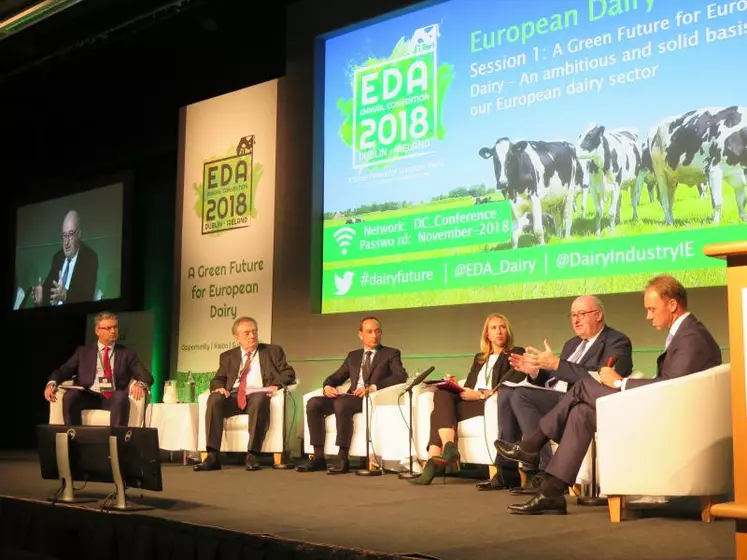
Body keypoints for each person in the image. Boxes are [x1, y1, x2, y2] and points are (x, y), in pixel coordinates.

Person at [496, 275, 722, 515]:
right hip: (661, 405)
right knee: (582, 413)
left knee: (582, 387)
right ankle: (552, 492)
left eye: (651, 309)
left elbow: (671, 387)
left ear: (673, 305)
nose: (648, 316)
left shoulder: (691, 336)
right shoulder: (685, 333)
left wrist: (622, 382)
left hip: (669, 413)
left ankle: (531, 445)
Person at [480, 295, 633, 493]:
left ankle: (541, 466)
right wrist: (535, 370)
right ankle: (507, 470)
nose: (576, 320)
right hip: (555, 397)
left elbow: (600, 379)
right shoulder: (572, 344)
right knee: (508, 390)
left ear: (598, 315)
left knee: (520, 395)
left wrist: (556, 364)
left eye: (581, 314)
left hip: (580, 401)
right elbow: (554, 377)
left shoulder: (616, 341)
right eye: (572, 315)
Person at [411, 313, 525, 485]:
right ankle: (447, 448)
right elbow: (470, 385)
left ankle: (433, 460)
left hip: (489, 403)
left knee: (438, 412)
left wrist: (480, 395)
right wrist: (454, 385)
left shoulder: (515, 353)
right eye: (493, 328)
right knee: (442, 394)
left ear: (507, 331)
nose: (499, 331)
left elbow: (511, 385)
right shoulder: (479, 358)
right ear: (487, 334)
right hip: (471, 399)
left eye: (502, 327)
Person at [297, 316, 407, 474]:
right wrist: (328, 386)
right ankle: (319, 457)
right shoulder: (353, 356)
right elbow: (335, 377)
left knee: (342, 404)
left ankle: (342, 458)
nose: (374, 335)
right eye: (369, 332)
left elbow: (400, 376)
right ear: (361, 335)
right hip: (351, 396)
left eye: (377, 331)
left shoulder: (390, 353)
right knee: (314, 403)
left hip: (369, 399)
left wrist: (374, 387)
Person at [194, 316, 296, 472]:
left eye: (254, 332)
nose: (252, 336)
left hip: (258, 393)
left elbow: (288, 373)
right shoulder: (227, 356)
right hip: (233, 396)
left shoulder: (273, 351)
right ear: (237, 337)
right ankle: (213, 456)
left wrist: (276, 385)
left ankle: (253, 455)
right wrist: (219, 387)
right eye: (247, 333)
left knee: (260, 398)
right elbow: (218, 379)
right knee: (214, 398)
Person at [44, 311, 152, 426]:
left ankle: (116, 441)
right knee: (70, 396)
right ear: (97, 331)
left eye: (115, 327)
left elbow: (145, 375)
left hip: (112, 396)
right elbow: (64, 370)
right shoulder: (83, 352)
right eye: (108, 328)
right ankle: (73, 438)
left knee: (121, 398)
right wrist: (52, 383)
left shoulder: (127, 353)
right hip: (87, 394)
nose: (113, 331)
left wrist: (140, 384)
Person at [34, 210, 98, 306]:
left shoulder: (89, 258)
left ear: (79, 234)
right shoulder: (57, 257)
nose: (66, 242)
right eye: (64, 236)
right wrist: (41, 298)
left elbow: (87, 295)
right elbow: (49, 291)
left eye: (71, 235)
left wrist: (66, 296)